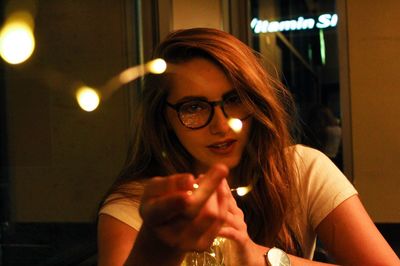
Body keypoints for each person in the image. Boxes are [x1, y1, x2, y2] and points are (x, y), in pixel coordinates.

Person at [97, 28, 399, 265]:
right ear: (164, 118)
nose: (222, 124)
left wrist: (256, 258)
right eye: (194, 107)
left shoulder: (301, 170)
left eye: (234, 99)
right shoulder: (138, 205)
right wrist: (157, 248)